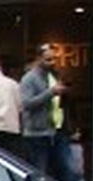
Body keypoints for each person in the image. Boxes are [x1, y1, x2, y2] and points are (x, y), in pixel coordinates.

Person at [19, 45, 64, 173]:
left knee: (60, 170)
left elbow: (57, 103)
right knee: (40, 170)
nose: (52, 63)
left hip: (55, 130)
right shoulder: (30, 78)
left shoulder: (53, 76)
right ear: (39, 59)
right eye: (48, 59)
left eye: (54, 59)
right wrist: (51, 92)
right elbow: (26, 104)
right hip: (36, 133)